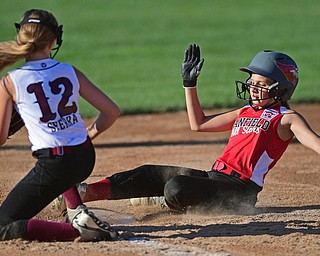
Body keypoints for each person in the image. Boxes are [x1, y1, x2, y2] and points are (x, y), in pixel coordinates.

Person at [54, 44, 320, 215]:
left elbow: (315, 143)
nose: (252, 87)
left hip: (239, 192)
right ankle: (85, 192)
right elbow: (199, 124)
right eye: (251, 82)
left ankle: (166, 202)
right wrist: (189, 84)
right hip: (213, 177)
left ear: (281, 89)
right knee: (149, 172)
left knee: (177, 185)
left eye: (260, 83)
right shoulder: (245, 111)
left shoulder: (287, 118)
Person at [0, 9, 121, 241]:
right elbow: (112, 111)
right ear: (54, 40)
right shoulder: (69, 71)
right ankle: (76, 207)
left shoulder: (10, 81)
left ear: (20, 38)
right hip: (85, 158)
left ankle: (78, 230)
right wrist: (88, 134)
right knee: (61, 144)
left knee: (3, 225)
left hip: (56, 166)